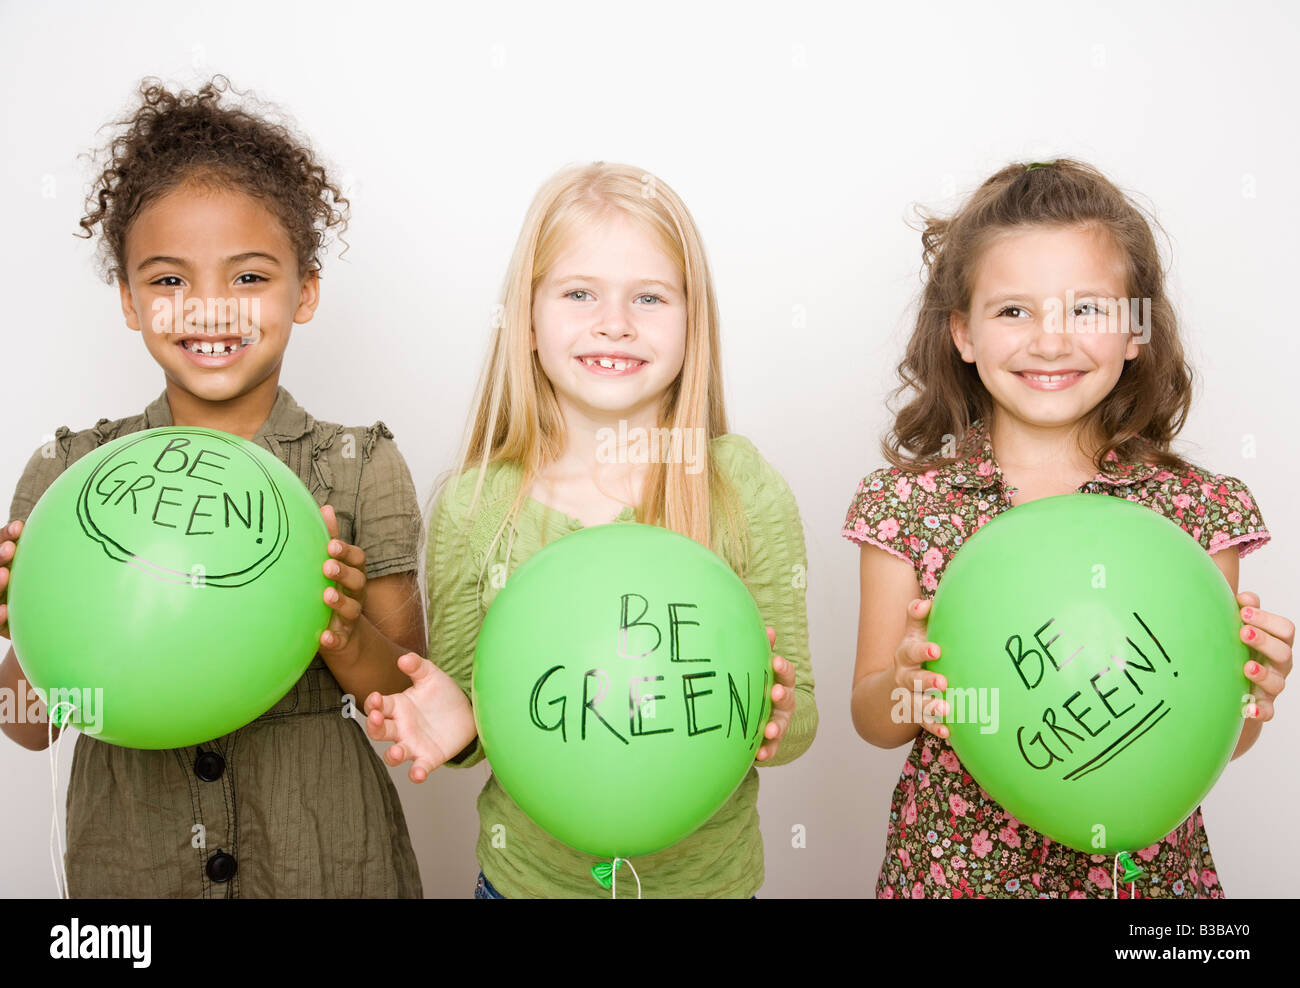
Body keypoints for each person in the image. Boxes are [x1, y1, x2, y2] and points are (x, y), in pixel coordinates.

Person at [0, 76, 425, 897]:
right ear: (128, 299)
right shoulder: (67, 477)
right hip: (136, 869)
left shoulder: (358, 464)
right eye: (167, 281)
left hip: (326, 862)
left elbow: (412, 702)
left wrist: (342, 634)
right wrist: (32, 636)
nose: (210, 310)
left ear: (304, 291)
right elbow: (28, 728)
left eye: (248, 278)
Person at [363, 162, 817, 897]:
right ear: (529, 321)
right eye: (580, 294)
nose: (616, 323)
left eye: (650, 296)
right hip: (522, 888)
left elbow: (799, 726)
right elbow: (476, 732)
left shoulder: (741, 487)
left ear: (691, 320)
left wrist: (779, 717)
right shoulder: (475, 505)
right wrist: (458, 723)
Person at [842, 159, 1292, 898]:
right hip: (957, 876)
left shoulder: (1192, 512)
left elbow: (1217, 736)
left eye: (1086, 310)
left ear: (1135, 332)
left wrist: (1251, 697)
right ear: (963, 333)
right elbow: (873, 717)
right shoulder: (909, 505)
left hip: (1143, 887)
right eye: (1013, 311)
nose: (1050, 343)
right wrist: (905, 687)